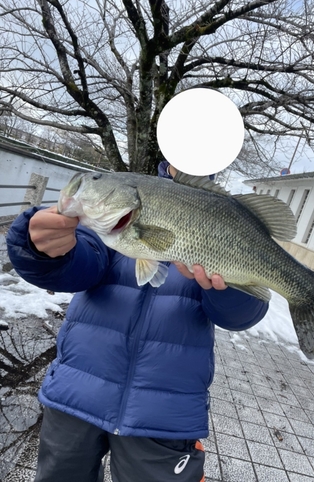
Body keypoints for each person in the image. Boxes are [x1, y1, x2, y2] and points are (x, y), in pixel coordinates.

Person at [6, 162, 269, 482]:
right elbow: (81, 265)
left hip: (165, 413)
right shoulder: (125, 202)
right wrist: (41, 248)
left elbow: (241, 314)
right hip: (77, 392)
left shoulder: (231, 216)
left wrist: (227, 287)